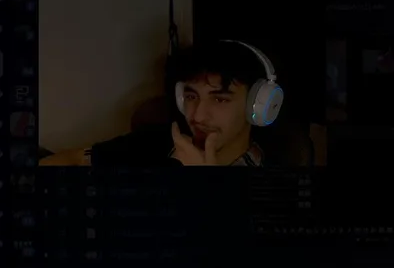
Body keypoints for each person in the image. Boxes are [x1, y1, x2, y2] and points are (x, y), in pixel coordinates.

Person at [39, 40, 281, 166]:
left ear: (257, 105)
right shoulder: (158, 140)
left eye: (219, 99)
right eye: (191, 96)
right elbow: (75, 159)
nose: (197, 116)